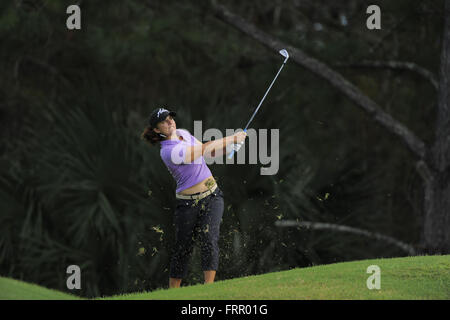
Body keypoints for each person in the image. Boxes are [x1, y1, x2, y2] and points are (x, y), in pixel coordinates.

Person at [141, 107, 247, 288]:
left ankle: (209, 289)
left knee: (209, 239)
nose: (170, 122)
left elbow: (209, 153)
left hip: (212, 195)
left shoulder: (183, 134)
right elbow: (199, 151)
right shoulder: (167, 151)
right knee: (183, 248)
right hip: (187, 204)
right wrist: (231, 138)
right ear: (157, 130)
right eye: (164, 121)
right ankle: (173, 292)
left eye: (170, 118)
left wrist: (231, 146)